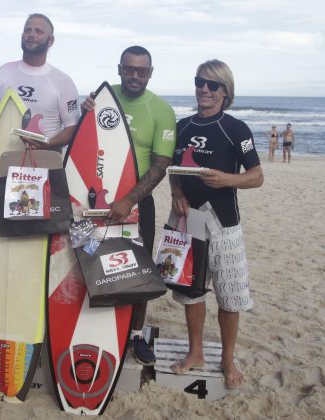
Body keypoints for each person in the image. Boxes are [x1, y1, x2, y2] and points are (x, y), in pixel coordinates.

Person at [169, 59, 264, 390]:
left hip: (224, 223)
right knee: (191, 292)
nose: (204, 89)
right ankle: (195, 352)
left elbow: (257, 176)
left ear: (225, 91)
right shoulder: (182, 127)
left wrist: (227, 180)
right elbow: (173, 172)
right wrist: (176, 193)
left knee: (229, 295)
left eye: (212, 85)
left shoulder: (235, 128)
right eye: (200, 82)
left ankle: (227, 358)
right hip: (186, 221)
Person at [82, 45, 176, 365]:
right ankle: (93, 326)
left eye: (142, 70)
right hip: (95, 199)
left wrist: (129, 200)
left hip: (137, 203)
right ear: (119, 69)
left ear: (150, 73)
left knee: (138, 270)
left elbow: (161, 165)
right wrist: (83, 113)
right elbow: (82, 144)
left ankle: (135, 336)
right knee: (91, 262)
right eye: (129, 69)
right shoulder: (102, 98)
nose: (135, 75)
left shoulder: (161, 110)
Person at [0, 13, 80, 197]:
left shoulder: (62, 81)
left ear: (50, 41)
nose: (31, 34)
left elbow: (73, 128)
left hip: (45, 164)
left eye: (38, 31)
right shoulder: (5, 71)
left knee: (43, 224)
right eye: (27, 30)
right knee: (6, 223)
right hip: (4, 161)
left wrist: (47, 143)